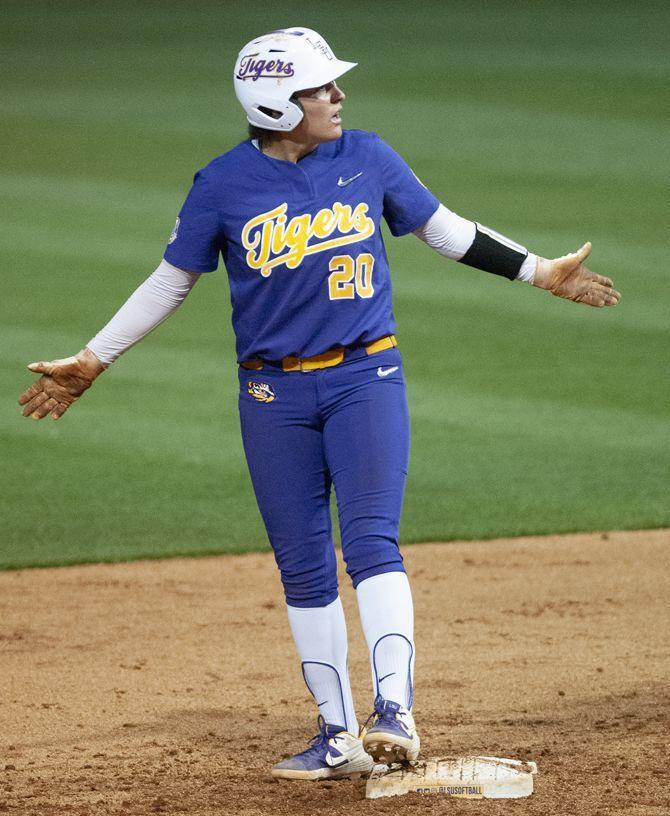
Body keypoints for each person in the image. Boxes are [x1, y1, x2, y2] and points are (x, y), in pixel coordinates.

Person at [18, 27, 620, 781]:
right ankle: (336, 735)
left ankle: (395, 712)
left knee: (371, 542)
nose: (337, 97)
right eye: (319, 89)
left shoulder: (366, 155)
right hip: (271, 395)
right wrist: (93, 359)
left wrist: (538, 272)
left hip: (366, 379)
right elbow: (172, 279)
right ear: (275, 103)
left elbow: (442, 229)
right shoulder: (221, 185)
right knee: (302, 566)